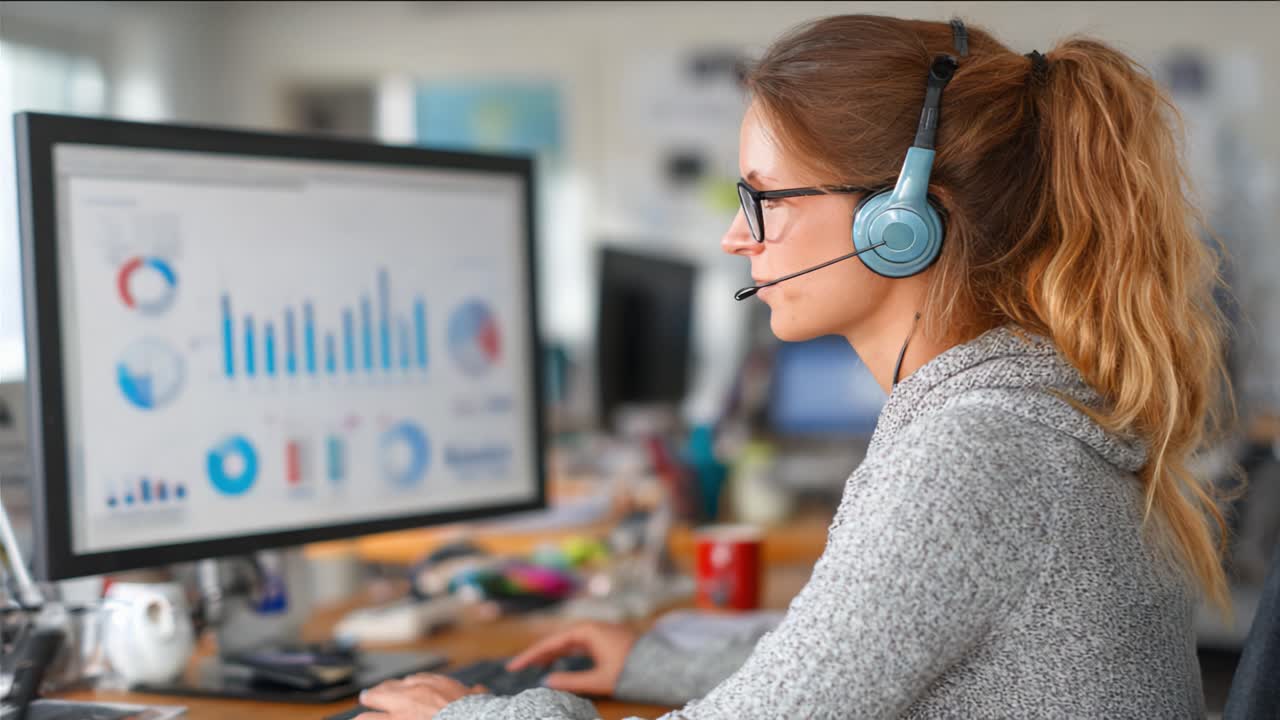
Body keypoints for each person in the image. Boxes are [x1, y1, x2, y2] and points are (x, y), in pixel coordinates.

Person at [357, 14, 1231, 719]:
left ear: (901, 220)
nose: (736, 235)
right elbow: (870, 644)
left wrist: (468, 714)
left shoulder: (975, 455)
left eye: (762, 197)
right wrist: (659, 662)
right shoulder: (1019, 412)